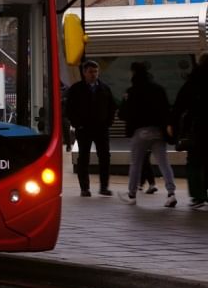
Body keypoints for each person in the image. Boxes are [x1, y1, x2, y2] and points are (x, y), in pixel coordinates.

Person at [118, 62, 177, 207]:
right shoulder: (159, 89)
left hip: (140, 132)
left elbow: (123, 113)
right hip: (158, 131)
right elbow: (166, 110)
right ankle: (171, 194)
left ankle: (132, 195)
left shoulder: (132, 91)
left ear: (133, 73)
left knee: (136, 164)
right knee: (164, 163)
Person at [65, 60, 116, 197]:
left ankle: (104, 187)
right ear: (84, 73)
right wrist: (77, 124)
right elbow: (69, 109)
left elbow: (112, 106)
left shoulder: (104, 88)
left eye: (95, 71)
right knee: (83, 157)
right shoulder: (76, 89)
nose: (93, 74)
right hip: (84, 129)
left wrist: (108, 122)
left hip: (101, 128)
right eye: (90, 72)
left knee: (105, 157)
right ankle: (84, 188)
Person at [171, 53, 208, 208]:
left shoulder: (193, 81)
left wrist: (173, 124)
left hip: (197, 128)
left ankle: (198, 196)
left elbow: (179, 105)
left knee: (194, 162)